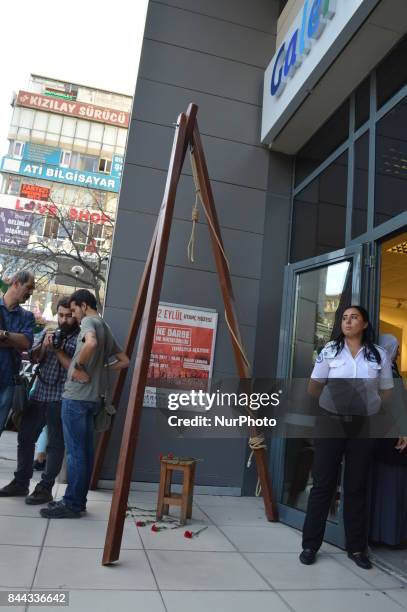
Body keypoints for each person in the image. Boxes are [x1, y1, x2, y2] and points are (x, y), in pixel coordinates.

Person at [299, 306, 394, 570]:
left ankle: (356, 548)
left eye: (354, 317)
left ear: (364, 324)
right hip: (331, 422)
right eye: (344, 318)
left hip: (364, 426)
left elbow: (387, 391)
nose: (348, 321)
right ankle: (310, 545)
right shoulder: (330, 350)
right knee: (322, 485)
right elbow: (313, 387)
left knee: (356, 486)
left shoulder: (379, 355)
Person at [40, 289, 129, 519]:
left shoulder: (89, 321)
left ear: (83, 305)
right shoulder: (105, 326)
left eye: (74, 310)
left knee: (76, 454)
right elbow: (124, 360)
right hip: (93, 400)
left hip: (77, 398)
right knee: (85, 453)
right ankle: (77, 501)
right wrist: (102, 369)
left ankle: (71, 504)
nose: (74, 316)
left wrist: (77, 366)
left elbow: (90, 343)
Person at [0, 297, 79, 504]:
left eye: (68, 316)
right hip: (39, 393)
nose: (64, 320)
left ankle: (45, 487)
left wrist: (59, 350)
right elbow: (33, 358)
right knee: (25, 437)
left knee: (55, 444)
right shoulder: (49, 332)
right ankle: (21, 482)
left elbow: (76, 370)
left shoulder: (80, 338)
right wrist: (44, 347)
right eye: (61, 315)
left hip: (61, 397)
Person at [370, 333, 407, 546]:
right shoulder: (389, 373)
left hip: (380, 435)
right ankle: (388, 534)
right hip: (390, 437)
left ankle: (379, 533)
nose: (399, 352)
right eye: (397, 348)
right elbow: (396, 406)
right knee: (391, 483)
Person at [0, 271, 35, 436]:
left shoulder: (27, 316)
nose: (31, 292)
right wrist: (15, 340)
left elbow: (26, 342)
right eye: (28, 287)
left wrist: (4, 335)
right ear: (15, 283)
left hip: (8, 380)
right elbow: (20, 342)